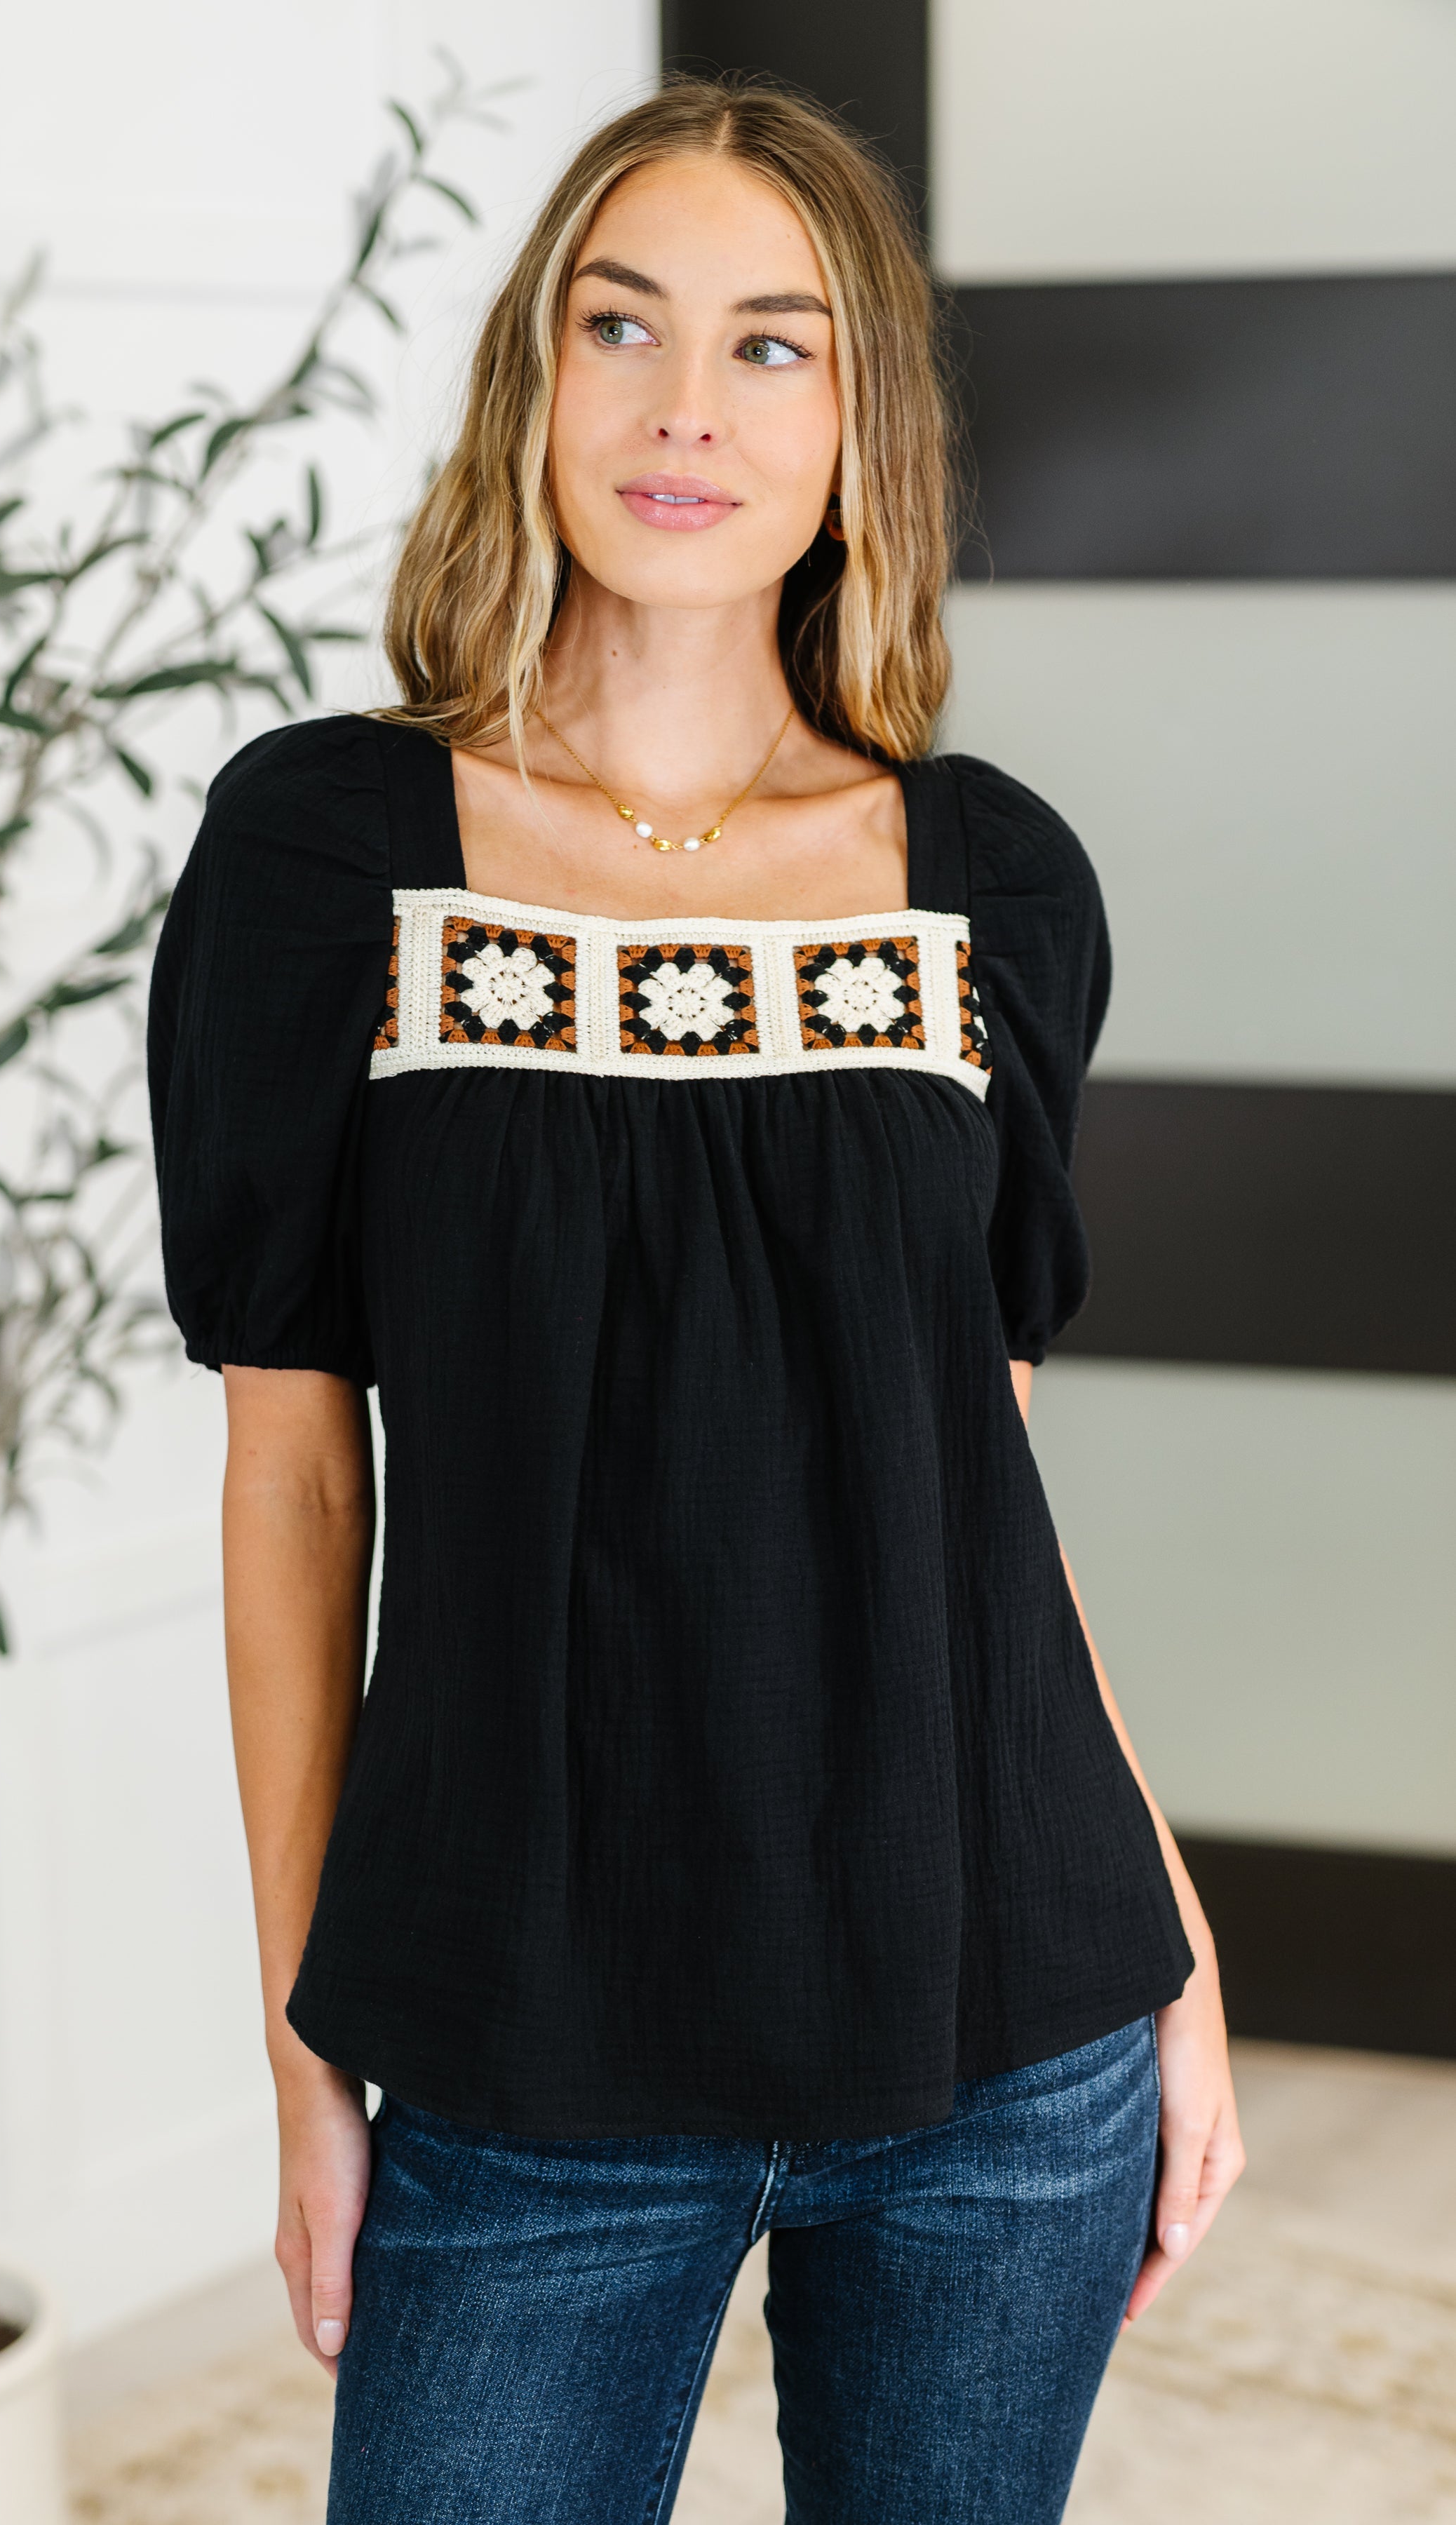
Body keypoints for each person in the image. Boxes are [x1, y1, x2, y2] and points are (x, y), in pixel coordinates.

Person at [149, 76, 1245, 2525]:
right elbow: (292, 1478)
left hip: (1006, 2035)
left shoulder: (986, 884)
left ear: (860, 431)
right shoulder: (328, 853)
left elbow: (976, 1474)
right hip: (526, 2049)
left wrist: (1164, 1933)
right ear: (530, 377)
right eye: (619, 326)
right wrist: (308, 2045)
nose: (683, 408)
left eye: (772, 346)